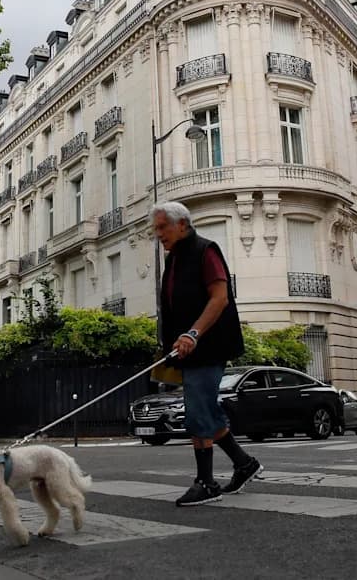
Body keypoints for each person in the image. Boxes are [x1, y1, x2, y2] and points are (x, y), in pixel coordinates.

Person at [153, 201, 261, 507]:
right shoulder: (174, 259)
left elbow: (219, 298)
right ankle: (243, 463)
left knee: (199, 411)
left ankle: (207, 483)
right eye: (156, 229)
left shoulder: (205, 250)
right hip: (186, 349)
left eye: (163, 227)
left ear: (182, 224)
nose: (158, 234)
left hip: (208, 345)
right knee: (202, 409)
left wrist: (193, 333)